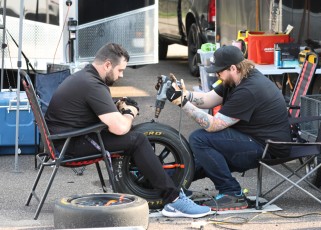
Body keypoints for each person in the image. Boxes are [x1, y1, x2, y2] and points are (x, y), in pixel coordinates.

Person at [45, 43, 211, 218]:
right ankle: (174, 200)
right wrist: (130, 113)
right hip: (69, 146)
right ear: (108, 64)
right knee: (137, 140)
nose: (121, 75)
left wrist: (117, 106)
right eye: (120, 70)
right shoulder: (93, 85)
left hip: (65, 139)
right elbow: (120, 127)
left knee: (132, 137)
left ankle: (157, 186)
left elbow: (92, 111)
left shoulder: (85, 77)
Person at [165, 45, 291, 211]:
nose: (217, 75)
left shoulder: (249, 89)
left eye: (219, 72)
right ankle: (161, 180)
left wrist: (183, 104)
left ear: (233, 67)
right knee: (205, 157)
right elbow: (209, 99)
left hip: (268, 147)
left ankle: (232, 193)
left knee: (200, 139)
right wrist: (183, 94)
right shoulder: (236, 78)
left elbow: (213, 125)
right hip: (252, 138)